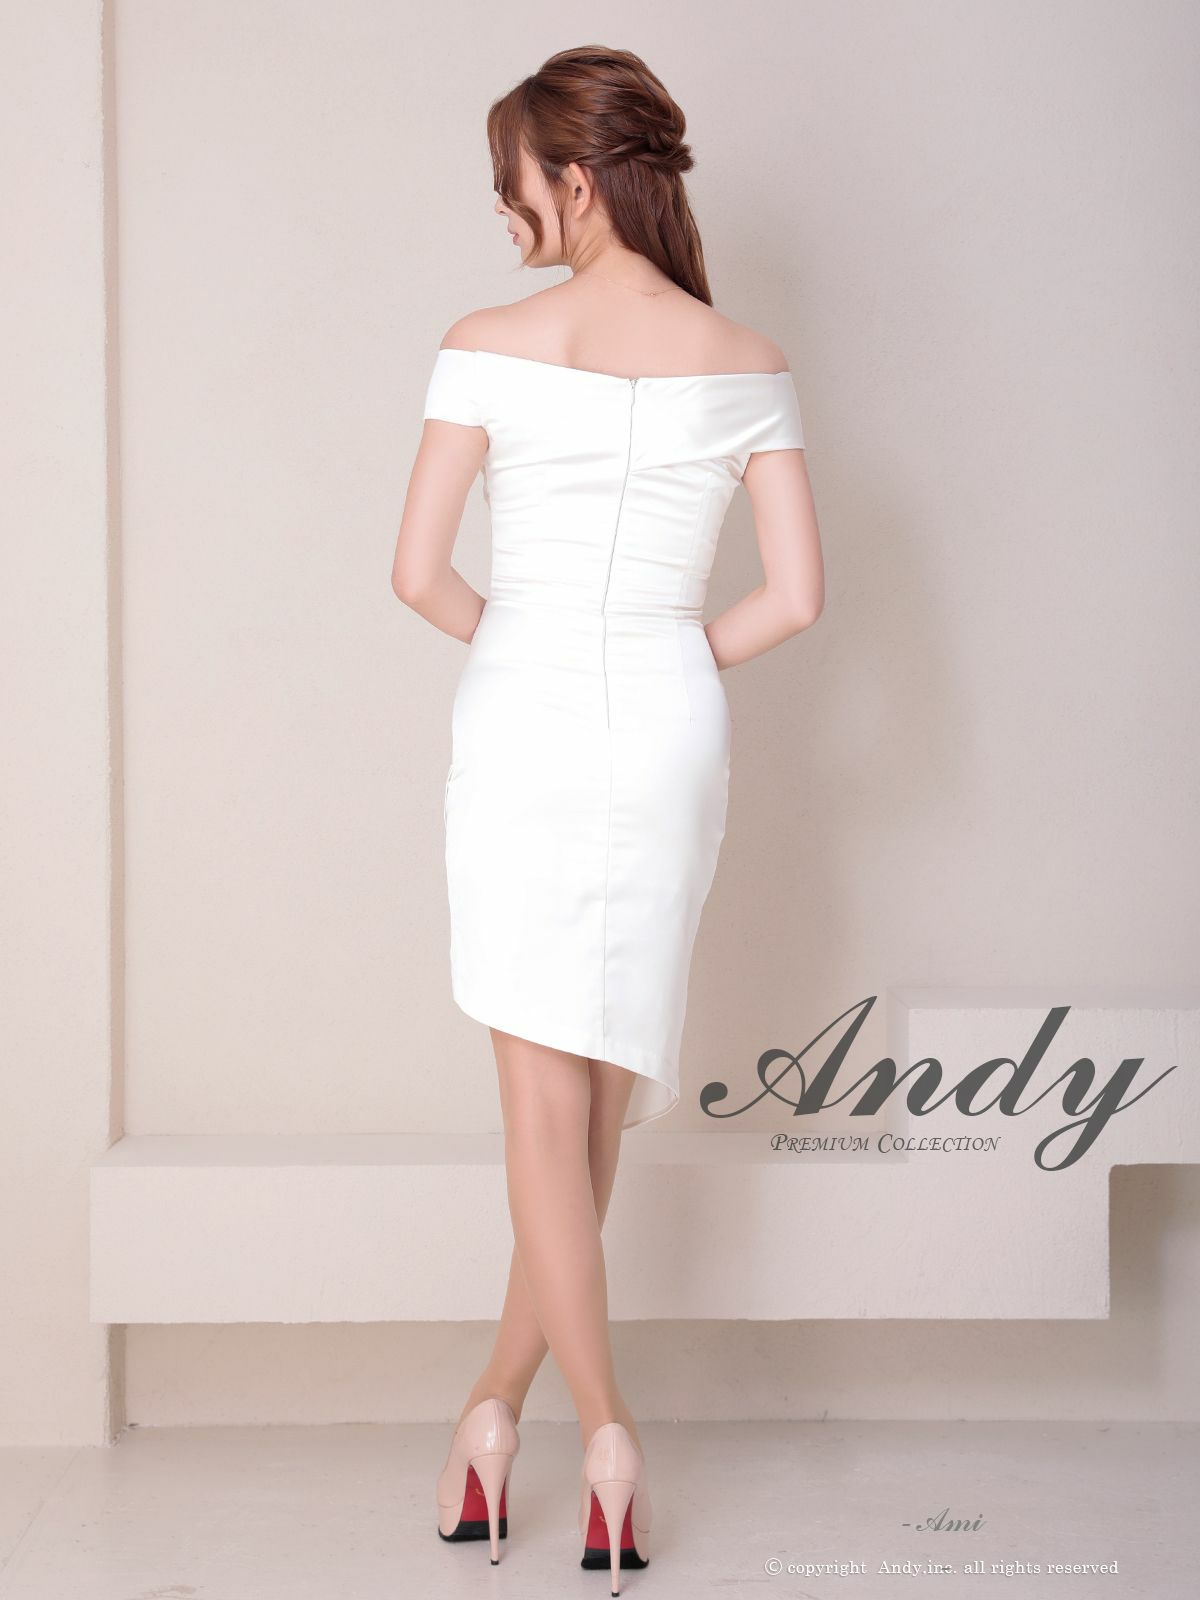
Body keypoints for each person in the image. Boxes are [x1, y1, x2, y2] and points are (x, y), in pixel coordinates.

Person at [392, 44, 823, 1594]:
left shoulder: (485, 345)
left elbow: (417, 575)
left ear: (572, 181)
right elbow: (795, 599)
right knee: (596, 1107)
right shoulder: (747, 357)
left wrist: (530, 644)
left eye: (512, 185)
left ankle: (609, 1434)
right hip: (669, 728)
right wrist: (660, 659)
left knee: (538, 1108)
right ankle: (492, 1411)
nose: (504, 213)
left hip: (522, 718)